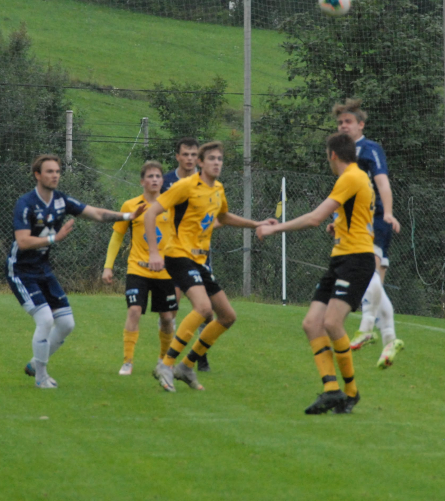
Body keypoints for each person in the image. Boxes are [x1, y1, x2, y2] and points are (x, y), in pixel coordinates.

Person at [256, 132, 375, 414]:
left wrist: (274, 228)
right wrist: (339, 226)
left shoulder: (350, 177)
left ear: (332, 154)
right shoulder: (356, 178)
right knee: (312, 323)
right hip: (342, 258)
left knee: (332, 323)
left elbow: (314, 218)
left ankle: (351, 393)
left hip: (356, 259)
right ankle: (332, 390)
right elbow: (357, 214)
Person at [144, 141, 277, 392]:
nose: (217, 163)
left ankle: (186, 366)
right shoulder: (185, 186)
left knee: (227, 316)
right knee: (203, 308)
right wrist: (153, 252)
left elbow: (223, 217)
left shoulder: (218, 189)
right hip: (178, 255)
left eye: (220, 159)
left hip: (199, 260)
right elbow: (151, 213)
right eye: (212, 159)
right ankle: (166, 364)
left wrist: (256, 223)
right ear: (201, 163)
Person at [12, 154, 146, 388]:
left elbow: (96, 213)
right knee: (45, 320)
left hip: (42, 269)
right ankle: (41, 377)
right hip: (21, 270)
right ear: (37, 175)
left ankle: (35, 363)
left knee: (66, 324)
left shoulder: (61, 201)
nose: (55, 175)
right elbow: (22, 242)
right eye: (50, 171)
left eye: (57, 171)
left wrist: (128, 216)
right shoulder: (26, 203)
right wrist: (54, 238)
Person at [334, 100, 404, 368]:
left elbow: (382, 181)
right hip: (354, 222)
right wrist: (337, 220)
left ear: (361, 125)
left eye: (348, 122)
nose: (343, 126)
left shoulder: (369, 149)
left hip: (374, 219)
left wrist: (388, 212)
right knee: (372, 279)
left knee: (367, 274)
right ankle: (389, 340)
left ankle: (365, 327)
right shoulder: (345, 155)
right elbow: (344, 193)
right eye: (340, 123)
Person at [102, 161, 178, 376]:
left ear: (162, 181)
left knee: (167, 318)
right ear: (142, 181)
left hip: (165, 271)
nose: (154, 180)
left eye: (158, 176)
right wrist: (108, 267)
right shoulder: (130, 206)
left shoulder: (171, 205)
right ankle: (127, 362)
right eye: (150, 176)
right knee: (134, 311)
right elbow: (117, 236)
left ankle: (163, 361)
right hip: (137, 268)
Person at [160, 137, 212, 373]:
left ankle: (200, 357)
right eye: (186, 154)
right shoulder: (166, 183)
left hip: (199, 255)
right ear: (177, 157)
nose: (190, 159)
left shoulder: (206, 182)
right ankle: (167, 357)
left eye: (194, 155)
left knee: (206, 311)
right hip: (173, 254)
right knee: (171, 309)